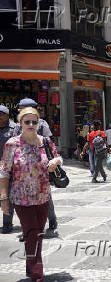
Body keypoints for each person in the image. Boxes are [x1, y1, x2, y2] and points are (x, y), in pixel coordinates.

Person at [0, 107, 62, 282]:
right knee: (32, 232)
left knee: (37, 233)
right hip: (21, 197)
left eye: (34, 121)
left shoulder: (45, 142)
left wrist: (55, 162)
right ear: (20, 123)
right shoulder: (12, 144)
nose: (31, 124)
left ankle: (31, 266)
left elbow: (58, 157)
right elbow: (4, 172)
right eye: (27, 121)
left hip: (43, 195)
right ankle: (37, 274)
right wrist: (3, 198)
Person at [13, 98, 58, 231]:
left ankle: (52, 219)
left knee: (45, 197)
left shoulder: (42, 124)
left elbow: (49, 142)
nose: (18, 110)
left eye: (20, 107)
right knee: (24, 200)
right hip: (23, 170)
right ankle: (28, 228)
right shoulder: (18, 125)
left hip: (40, 168)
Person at [0, 105, 16, 234]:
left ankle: (7, 224)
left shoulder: (15, 128)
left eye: (1, 115)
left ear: (7, 115)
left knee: (8, 197)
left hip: (9, 168)